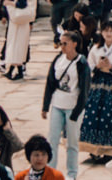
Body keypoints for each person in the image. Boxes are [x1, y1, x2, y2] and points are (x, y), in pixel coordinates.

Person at [40, 32, 88, 179]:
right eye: (61, 43)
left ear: (74, 43)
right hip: (57, 104)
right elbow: (50, 83)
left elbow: (85, 89)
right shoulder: (58, 60)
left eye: (65, 43)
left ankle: (72, 173)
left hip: (73, 106)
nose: (62, 46)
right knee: (52, 139)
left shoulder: (81, 63)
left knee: (72, 143)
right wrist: (45, 106)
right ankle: (51, 171)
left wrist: (76, 112)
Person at [79, 21, 112, 161]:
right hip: (98, 85)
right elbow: (88, 67)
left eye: (111, 31)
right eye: (106, 31)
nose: (109, 33)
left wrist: (111, 67)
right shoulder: (95, 49)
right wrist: (98, 66)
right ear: (102, 32)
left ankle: (110, 150)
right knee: (93, 113)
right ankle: (94, 148)